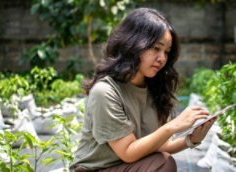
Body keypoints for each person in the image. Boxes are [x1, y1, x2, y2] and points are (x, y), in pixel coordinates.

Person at [70, 8, 215, 172]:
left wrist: (192, 139)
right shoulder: (105, 91)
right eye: (156, 48)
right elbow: (127, 152)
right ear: (132, 44)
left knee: (163, 160)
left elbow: (162, 145)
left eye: (166, 52)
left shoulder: (154, 87)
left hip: (133, 166)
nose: (162, 58)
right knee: (164, 163)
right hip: (98, 169)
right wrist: (172, 126)